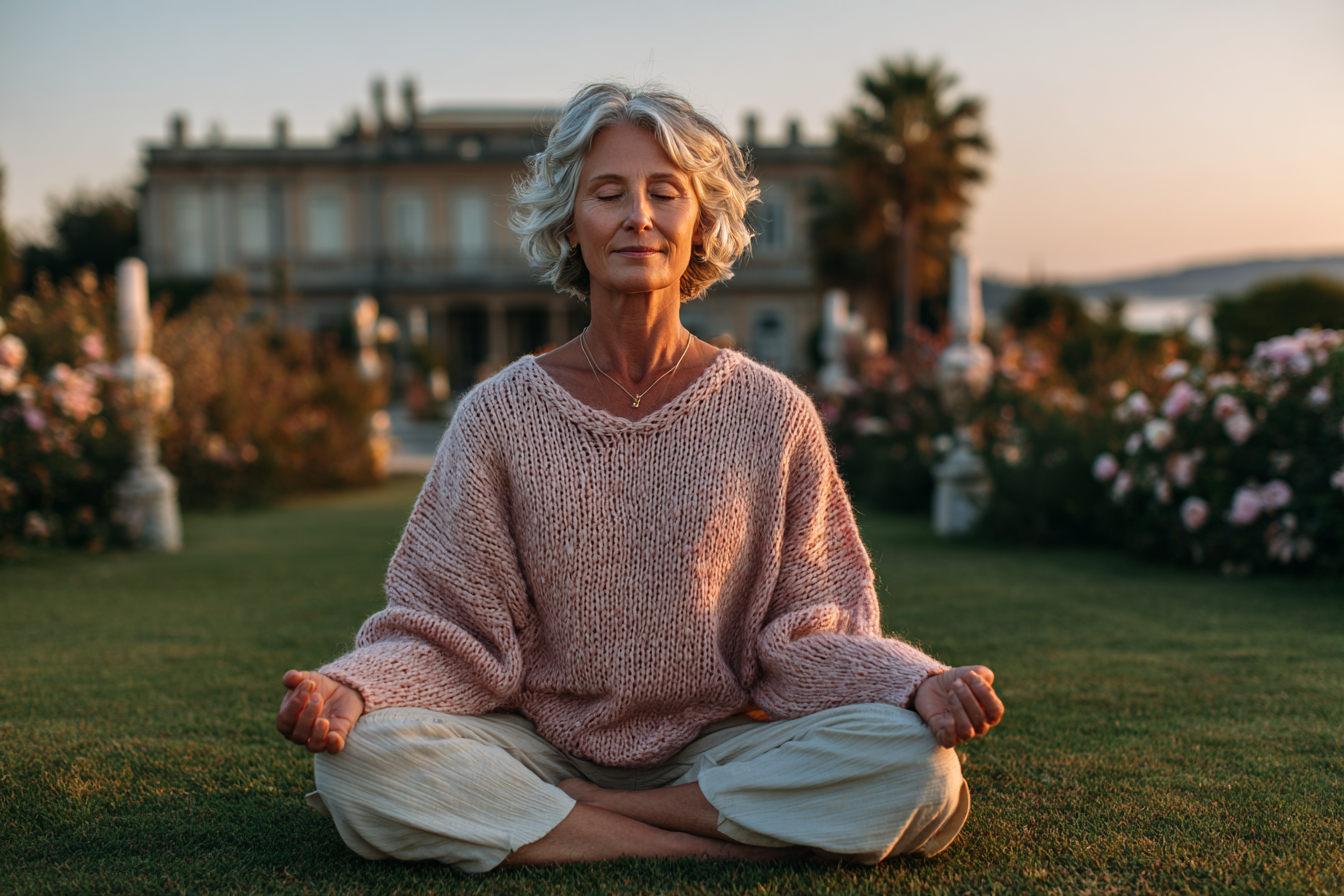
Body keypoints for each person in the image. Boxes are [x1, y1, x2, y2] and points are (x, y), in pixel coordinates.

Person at [275, 82, 1004, 873]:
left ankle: (589, 825)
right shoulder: (498, 415)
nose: (639, 217)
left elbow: (815, 628)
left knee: (915, 764)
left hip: (718, 747)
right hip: (538, 744)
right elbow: (448, 625)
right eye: (608, 193)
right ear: (570, 221)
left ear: (701, 222)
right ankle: (711, 846)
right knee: (361, 761)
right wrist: (356, 687)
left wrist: (913, 684)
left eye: (666, 192)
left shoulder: (772, 412)